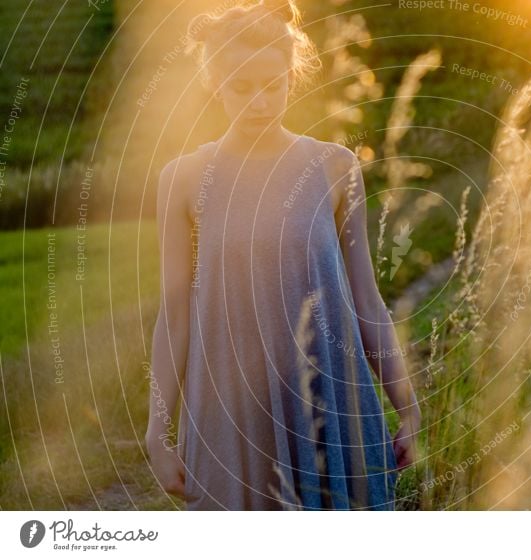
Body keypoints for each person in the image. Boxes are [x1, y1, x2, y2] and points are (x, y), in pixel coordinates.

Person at [144, 0, 421, 510]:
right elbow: (176, 312)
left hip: (330, 403)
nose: (260, 102)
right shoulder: (182, 179)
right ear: (215, 83)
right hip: (227, 410)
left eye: (272, 85)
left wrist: (406, 405)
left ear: (292, 80)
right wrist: (156, 432)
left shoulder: (334, 168)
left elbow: (365, 299)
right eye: (242, 87)